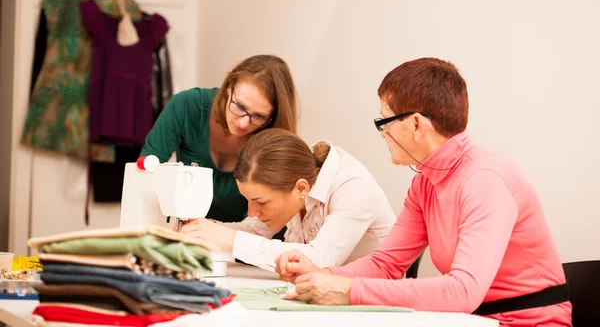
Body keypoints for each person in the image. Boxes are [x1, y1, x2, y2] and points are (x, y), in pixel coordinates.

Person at [274, 58, 572, 327]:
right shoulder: (425, 182)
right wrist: (324, 275)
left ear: (416, 124)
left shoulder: (486, 181)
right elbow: (386, 264)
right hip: (472, 321)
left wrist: (350, 291)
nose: (382, 134)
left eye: (384, 122)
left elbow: (462, 292)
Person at [180, 128, 396, 270]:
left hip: (378, 307)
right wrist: (206, 231)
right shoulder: (296, 180)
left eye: (261, 202)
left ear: (300, 188)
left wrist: (231, 239)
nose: (252, 211)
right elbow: (255, 230)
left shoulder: (353, 189)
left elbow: (319, 260)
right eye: (249, 201)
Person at [141, 54, 298, 224]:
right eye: (240, 106)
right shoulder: (187, 106)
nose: (244, 123)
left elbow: (272, 222)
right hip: (187, 231)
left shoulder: (272, 139)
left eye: (259, 116)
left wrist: (226, 235)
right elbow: (146, 172)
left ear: (272, 118)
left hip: (241, 238)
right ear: (229, 87)